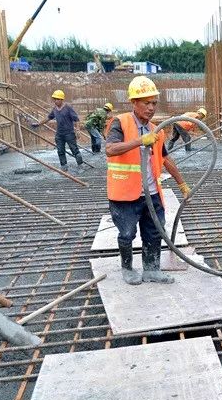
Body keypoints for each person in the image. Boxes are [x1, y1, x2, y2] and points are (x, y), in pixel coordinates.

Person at [105, 76, 191, 286]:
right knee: (127, 233)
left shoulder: (157, 129)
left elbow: (165, 158)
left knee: (154, 232)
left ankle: (152, 269)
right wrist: (139, 141)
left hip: (151, 194)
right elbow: (110, 149)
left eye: (154, 103)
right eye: (146, 103)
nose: (151, 107)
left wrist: (182, 184)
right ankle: (127, 268)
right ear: (134, 102)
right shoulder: (120, 122)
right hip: (125, 194)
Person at [33, 89, 85, 171]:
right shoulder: (55, 109)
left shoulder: (68, 108)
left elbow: (76, 119)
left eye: (57, 99)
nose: (55, 101)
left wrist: (78, 130)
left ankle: (81, 165)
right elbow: (48, 118)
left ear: (61, 99)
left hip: (69, 133)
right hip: (59, 134)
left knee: (74, 150)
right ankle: (64, 167)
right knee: (60, 151)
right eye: (54, 99)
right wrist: (39, 124)